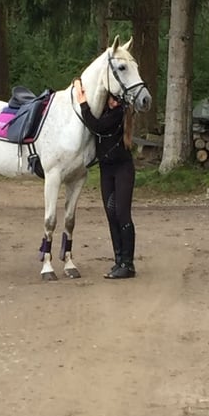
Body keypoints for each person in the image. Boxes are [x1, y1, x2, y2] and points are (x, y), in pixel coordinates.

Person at [73, 78, 137, 279]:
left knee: (122, 213)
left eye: (117, 100)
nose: (113, 103)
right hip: (106, 169)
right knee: (111, 213)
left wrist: (82, 102)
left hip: (123, 169)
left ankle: (128, 263)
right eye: (111, 99)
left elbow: (96, 126)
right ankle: (118, 260)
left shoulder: (117, 115)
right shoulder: (107, 111)